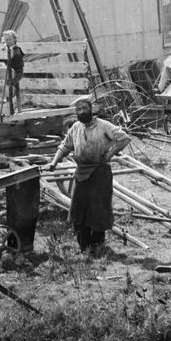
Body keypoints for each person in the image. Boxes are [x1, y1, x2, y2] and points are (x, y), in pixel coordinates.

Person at [45, 99, 131, 256]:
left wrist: (110, 154)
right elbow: (65, 146)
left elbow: (124, 138)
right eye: (78, 109)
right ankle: (84, 247)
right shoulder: (76, 127)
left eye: (84, 108)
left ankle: (98, 246)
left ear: (91, 110)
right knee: (78, 210)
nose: (82, 111)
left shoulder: (103, 126)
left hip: (99, 172)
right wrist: (53, 162)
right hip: (81, 173)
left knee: (98, 210)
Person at [1, 30, 24, 113]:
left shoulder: (16, 49)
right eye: (6, 40)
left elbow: (16, 56)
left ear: (14, 39)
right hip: (10, 72)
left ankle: (10, 103)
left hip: (17, 72)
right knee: (7, 84)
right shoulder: (6, 49)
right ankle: (10, 104)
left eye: (10, 39)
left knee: (10, 85)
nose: (8, 41)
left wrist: (10, 52)